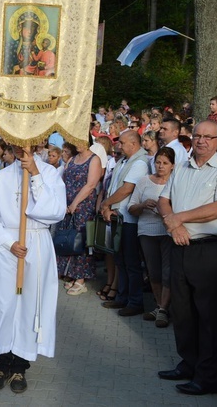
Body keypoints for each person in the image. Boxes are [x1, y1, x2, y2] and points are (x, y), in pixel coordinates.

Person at [156, 120, 217, 396]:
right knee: (182, 312)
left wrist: (179, 218)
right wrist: (175, 224)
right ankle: (188, 363)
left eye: (208, 137)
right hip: (179, 245)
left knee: (209, 316)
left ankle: (208, 377)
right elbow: (163, 200)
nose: (202, 141)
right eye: (197, 135)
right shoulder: (181, 167)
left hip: (209, 250)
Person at [0, 144, 66, 394]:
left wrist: (35, 174)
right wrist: (9, 243)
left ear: (36, 146)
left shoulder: (50, 173)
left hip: (36, 245)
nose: (21, 150)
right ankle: (1, 362)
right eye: (16, 145)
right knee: (4, 304)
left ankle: (20, 366)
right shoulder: (2, 177)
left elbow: (55, 211)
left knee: (29, 305)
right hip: (8, 247)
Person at [99, 130, 149, 317]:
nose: (118, 145)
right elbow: (115, 186)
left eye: (121, 142)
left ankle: (135, 301)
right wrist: (107, 207)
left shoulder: (140, 162)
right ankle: (122, 297)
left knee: (131, 262)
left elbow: (127, 189)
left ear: (134, 144)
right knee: (121, 260)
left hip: (129, 219)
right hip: (117, 216)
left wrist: (106, 203)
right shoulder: (124, 160)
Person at [128, 147, 175, 328]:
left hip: (167, 232)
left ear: (172, 165)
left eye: (165, 163)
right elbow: (131, 207)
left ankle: (163, 309)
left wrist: (166, 211)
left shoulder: (176, 181)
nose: (161, 166)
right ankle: (159, 306)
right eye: (158, 162)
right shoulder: (144, 181)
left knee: (168, 271)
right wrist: (143, 205)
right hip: (147, 230)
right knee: (153, 271)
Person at [56, 140, 101, 296]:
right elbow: (63, 181)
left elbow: (91, 185)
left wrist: (75, 203)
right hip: (68, 206)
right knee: (68, 239)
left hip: (83, 206)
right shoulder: (72, 159)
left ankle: (81, 279)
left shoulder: (94, 159)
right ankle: (72, 273)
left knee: (81, 241)